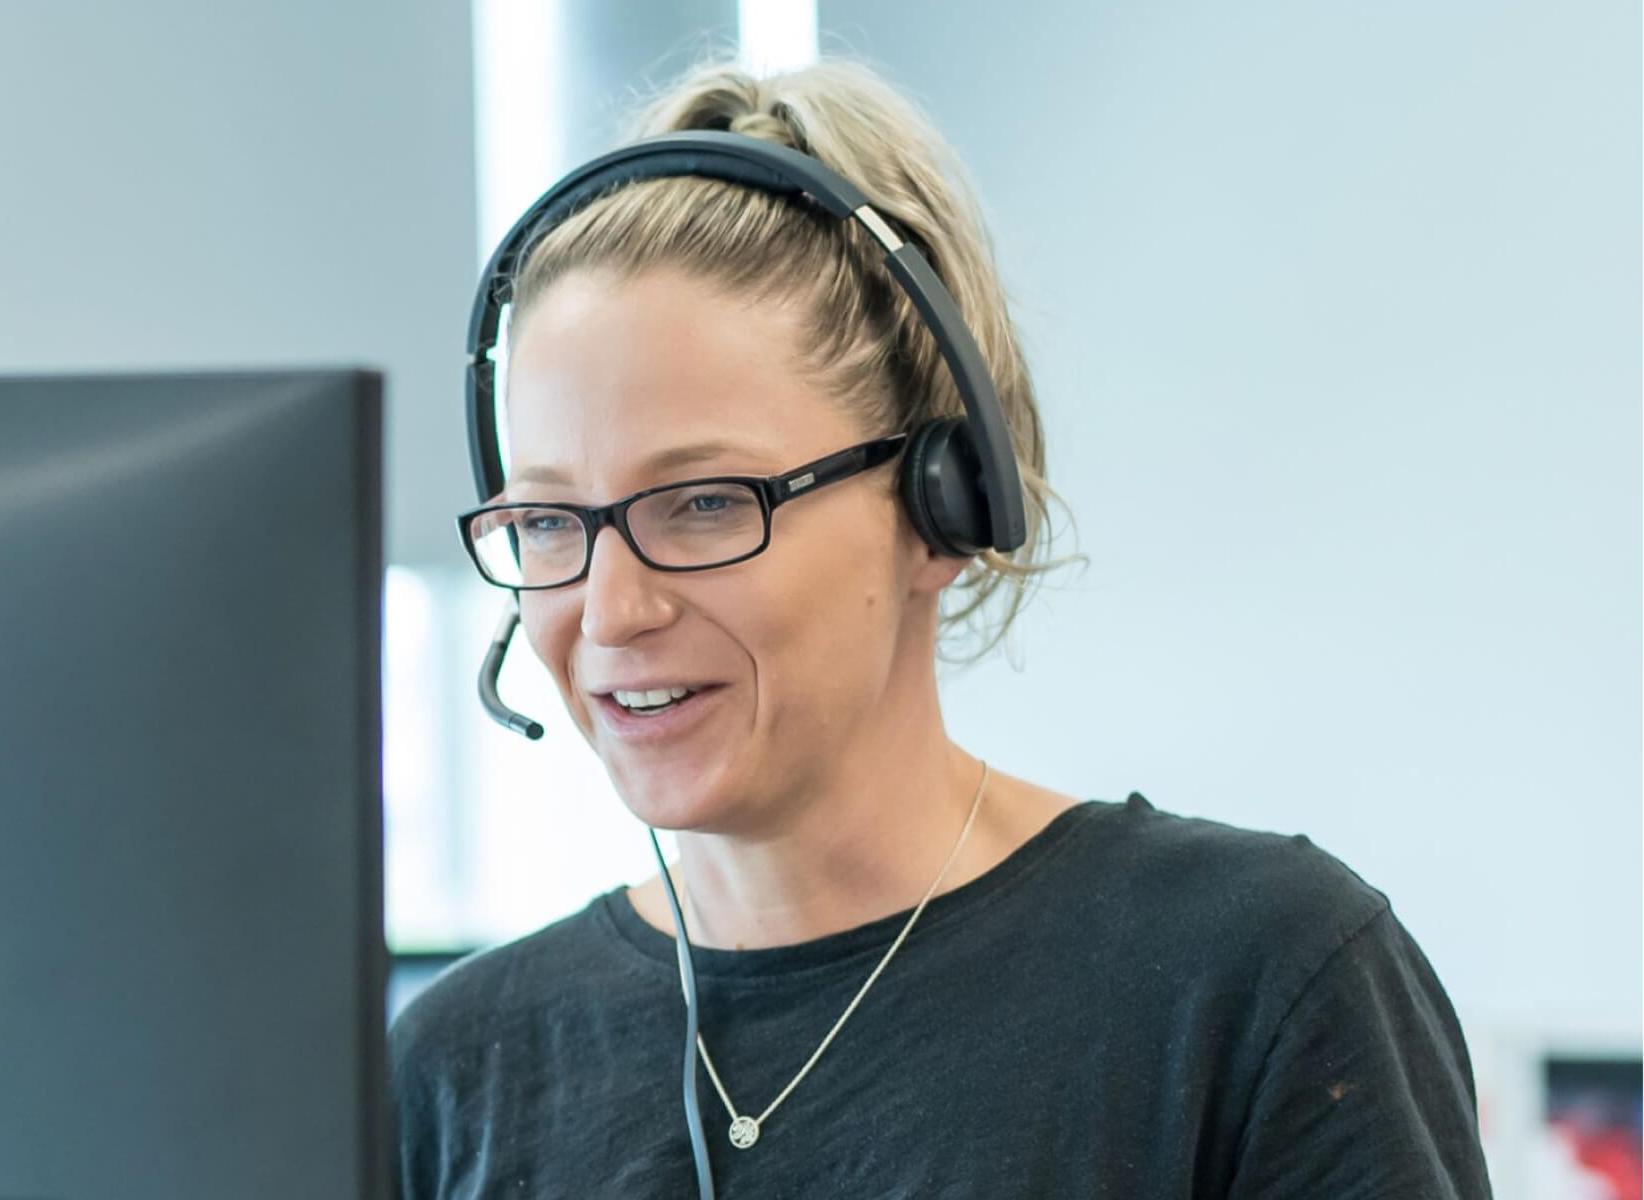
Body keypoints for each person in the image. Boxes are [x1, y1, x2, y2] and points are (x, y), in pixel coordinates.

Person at [389, 57, 1492, 1198]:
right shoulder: (455, 1070)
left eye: (707, 503)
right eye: (549, 520)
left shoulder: (1251, 984)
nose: (612, 609)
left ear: (940, 505)